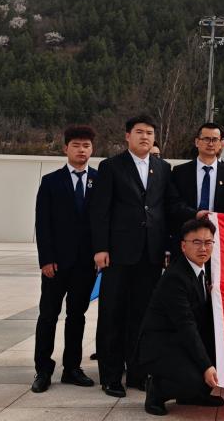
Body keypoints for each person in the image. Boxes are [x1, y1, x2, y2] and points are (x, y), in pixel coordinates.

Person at [91, 113, 184, 397]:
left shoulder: (162, 167)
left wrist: (192, 221)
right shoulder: (111, 167)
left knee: (142, 316)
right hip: (118, 254)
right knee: (112, 315)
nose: (145, 137)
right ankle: (110, 376)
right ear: (127, 136)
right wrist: (100, 248)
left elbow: (169, 208)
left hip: (150, 255)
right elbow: (100, 211)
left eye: (150, 133)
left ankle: (137, 373)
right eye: (140, 132)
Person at [31, 125, 99, 393]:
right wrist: (46, 259)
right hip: (56, 264)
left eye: (86, 146)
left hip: (85, 264)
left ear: (92, 149)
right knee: (48, 315)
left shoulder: (99, 180)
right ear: (65, 148)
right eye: (76, 145)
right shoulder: (51, 182)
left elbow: (102, 221)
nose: (81, 150)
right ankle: (42, 369)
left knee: (77, 316)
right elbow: (42, 223)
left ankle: (72, 367)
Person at [138, 217, 224, 415]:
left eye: (208, 242)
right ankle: (156, 390)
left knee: (223, 356)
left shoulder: (206, 269)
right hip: (162, 345)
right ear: (183, 246)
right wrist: (206, 366)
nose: (203, 248)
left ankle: (192, 396)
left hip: (181, 340)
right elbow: (186, 327)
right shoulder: (175, 277)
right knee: (197, 377)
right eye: (197, 242)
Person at [169, 122, 224, 242]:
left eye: (215, 140)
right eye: (206, 139)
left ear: (220, 144)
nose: (210, 143)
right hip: (186, 234)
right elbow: (174, 204)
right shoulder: (180, 172)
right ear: (197, 142)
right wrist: (195, 214)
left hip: (219, 237)